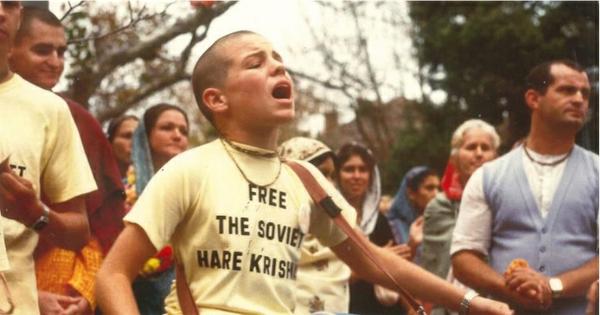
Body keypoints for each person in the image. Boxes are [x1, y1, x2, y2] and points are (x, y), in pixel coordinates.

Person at [96, 30, 512, 315]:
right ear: (216, 99)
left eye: (280, 61)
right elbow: (113, 274)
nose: (279, 69)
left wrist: (468, 303)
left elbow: (376, 262)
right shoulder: (190, 169)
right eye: (256, 64)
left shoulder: (305, 181)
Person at [451, 60, 598, 314]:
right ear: (533, 99)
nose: (579, 99)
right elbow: (463, 258)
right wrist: (508, 288)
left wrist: (553, 285)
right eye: (566, 90)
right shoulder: (488, 176)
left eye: (584, 93)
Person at [8, 7, 126, 314]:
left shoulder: (75, 119)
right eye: (42, 51)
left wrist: (87, 292)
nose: (55, 63)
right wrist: (32, 294)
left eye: (61, 52)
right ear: (9, 48)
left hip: (57, 287)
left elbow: (97, 226)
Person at [0, 2, 97, 314]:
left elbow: (78, 230)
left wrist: (34, 212)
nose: (1, 11)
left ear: (18, 17)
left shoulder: (50, 109)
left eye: (9, 3)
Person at [420, 119, 500, 315]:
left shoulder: (506, 201)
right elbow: (437, 269)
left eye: (486, 148)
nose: (479, 153)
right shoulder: (440, 206)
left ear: (496, 157)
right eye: (471, 147)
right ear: (454, 158)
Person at [279, 137, 356, 314]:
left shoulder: (339, 223)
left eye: (332, 176)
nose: (329, 183)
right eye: (322, 174)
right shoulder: (276, 225)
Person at [125, 104, 189, 315]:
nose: (177, 135)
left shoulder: (194, 192)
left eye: (183, 130)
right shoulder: (121, 189)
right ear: (146, 134)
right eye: (167, 128)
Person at [335, 142, 407, 314]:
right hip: (345, 307)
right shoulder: (331, 218)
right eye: (349, 169)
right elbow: (331, 276)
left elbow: (395, 261)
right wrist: (377, 262)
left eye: (363, 169)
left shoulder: (378, 220)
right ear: (337, 175)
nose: (357, 176)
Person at [386, 166, 440, 260]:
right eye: (429, 188)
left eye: (438, 188)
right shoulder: (389, 228)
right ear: (411, 193)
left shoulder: (439, 224)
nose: (436, 194)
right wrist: (412, 246)